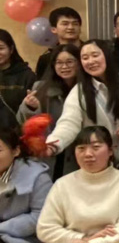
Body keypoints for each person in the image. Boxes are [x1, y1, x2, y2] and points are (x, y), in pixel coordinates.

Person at [45, 40, 119, 170]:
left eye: (95, 55)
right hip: (98, 163)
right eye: (85, 58)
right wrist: (53, 144)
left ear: (107, 55)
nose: (90, 61)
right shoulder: (79, 91)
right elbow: (69, 123)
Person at [17, 44, 81, 180]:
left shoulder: (87, 89)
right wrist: (30, 107)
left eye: (70, 62)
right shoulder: (40, 87)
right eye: (59, 63)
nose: (64, 67)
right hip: (48, 152)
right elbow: (24, 124)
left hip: (77, 153)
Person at [0, 29, 37, 130]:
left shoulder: (27, 76)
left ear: (11, 49)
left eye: (1, 48)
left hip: (18, 133)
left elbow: (36, 111)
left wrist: (30, 105)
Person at [35, 7, 83, 78]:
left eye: (75, 24)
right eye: (65, 24)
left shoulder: (89, 53)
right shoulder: (46, 59)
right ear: (54, 29)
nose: (71, 27)